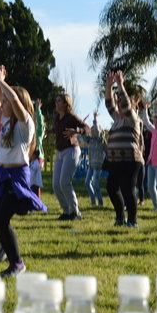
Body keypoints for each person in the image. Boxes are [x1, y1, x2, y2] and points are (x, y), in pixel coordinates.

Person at [0, 65, 46, 277]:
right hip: (1, 174)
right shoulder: (6, 121)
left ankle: (17, 263)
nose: (4, 104)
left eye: (7, 101)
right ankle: (11, 258)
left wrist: (1, 82)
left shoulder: (26, 125)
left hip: (16, 177)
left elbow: (16, 101)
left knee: (1, 220)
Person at [103, 71, 143, 228]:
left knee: (127, 189)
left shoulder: (132, 118)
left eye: (120, 105)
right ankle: (120, 217)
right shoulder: (117, 120)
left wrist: (120, 85)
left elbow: (126, 105)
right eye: (118, 105)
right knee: (111, 188)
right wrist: (108, 86)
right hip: (116, 161)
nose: (118, 107)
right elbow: (109, 104)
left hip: (131, 161)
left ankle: (132, 221)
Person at [52, 93, 90, 221]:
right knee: (56, 184)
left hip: (72, 150)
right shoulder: (57, 117)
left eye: (59, 101)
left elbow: (87, 128)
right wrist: (49, 131)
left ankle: (75, 212)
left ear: (65, 104)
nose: (56, 103)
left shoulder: (71, 116)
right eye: (56, 101)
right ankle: (66, 211)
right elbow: (57, 130)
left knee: (64, 182)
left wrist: (77, 131)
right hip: (60, 152)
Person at [85, 111, 105, 207]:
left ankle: (100, 202)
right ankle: (93, 201)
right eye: (91, 131)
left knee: (95, 184)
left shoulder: (100, 140)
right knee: (87, 183)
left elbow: (97, 130)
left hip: (98, 166)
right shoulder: (91, 140)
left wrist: (95, 119)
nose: (92, 132)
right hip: (91, 165)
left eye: (94, 131)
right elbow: (84, 134)